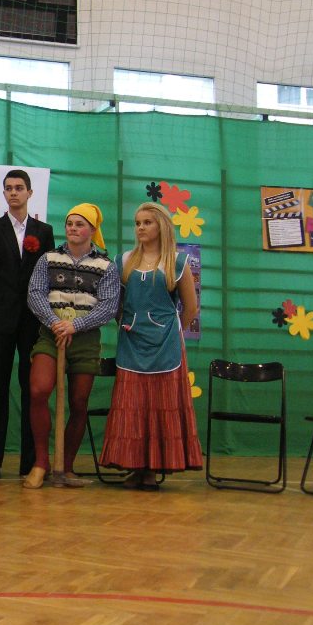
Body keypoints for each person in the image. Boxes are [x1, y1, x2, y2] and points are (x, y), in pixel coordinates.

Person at [100, 202, 203, 490]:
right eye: (137, 223)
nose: (140, 228)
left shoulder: (177, 262)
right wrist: (126, 324)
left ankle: (153, 469)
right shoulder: (123, 261)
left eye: (147, 222)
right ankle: (133, 466)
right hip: (132, 343)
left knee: (161, 405)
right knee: (131, 406)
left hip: (166, 348)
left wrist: (169, 331)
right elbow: (115, 305)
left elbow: (190, 308)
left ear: (162, 226)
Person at [25, 203, 119, 489]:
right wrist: (56, 323)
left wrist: (75, 326)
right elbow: (35, 293)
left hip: (85, 340)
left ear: (92, 229)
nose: (73, 228)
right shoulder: (48, 259)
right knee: (38, 390)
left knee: (79, 402)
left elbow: (109, 306)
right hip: (51, 335)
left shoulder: (106, 266)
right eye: (69, 223)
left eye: (80, 224)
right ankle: (41, 463)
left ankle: (64, 467)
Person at [0, 170, 55, 479]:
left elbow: (48, 275)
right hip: (0, 321)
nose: (13, 192)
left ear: (29, 193)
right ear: (4, 193)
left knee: (31, 390)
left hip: (33, 321)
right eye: (8, 188)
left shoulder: (44, 231)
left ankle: (30, 463)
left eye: (19, 188)